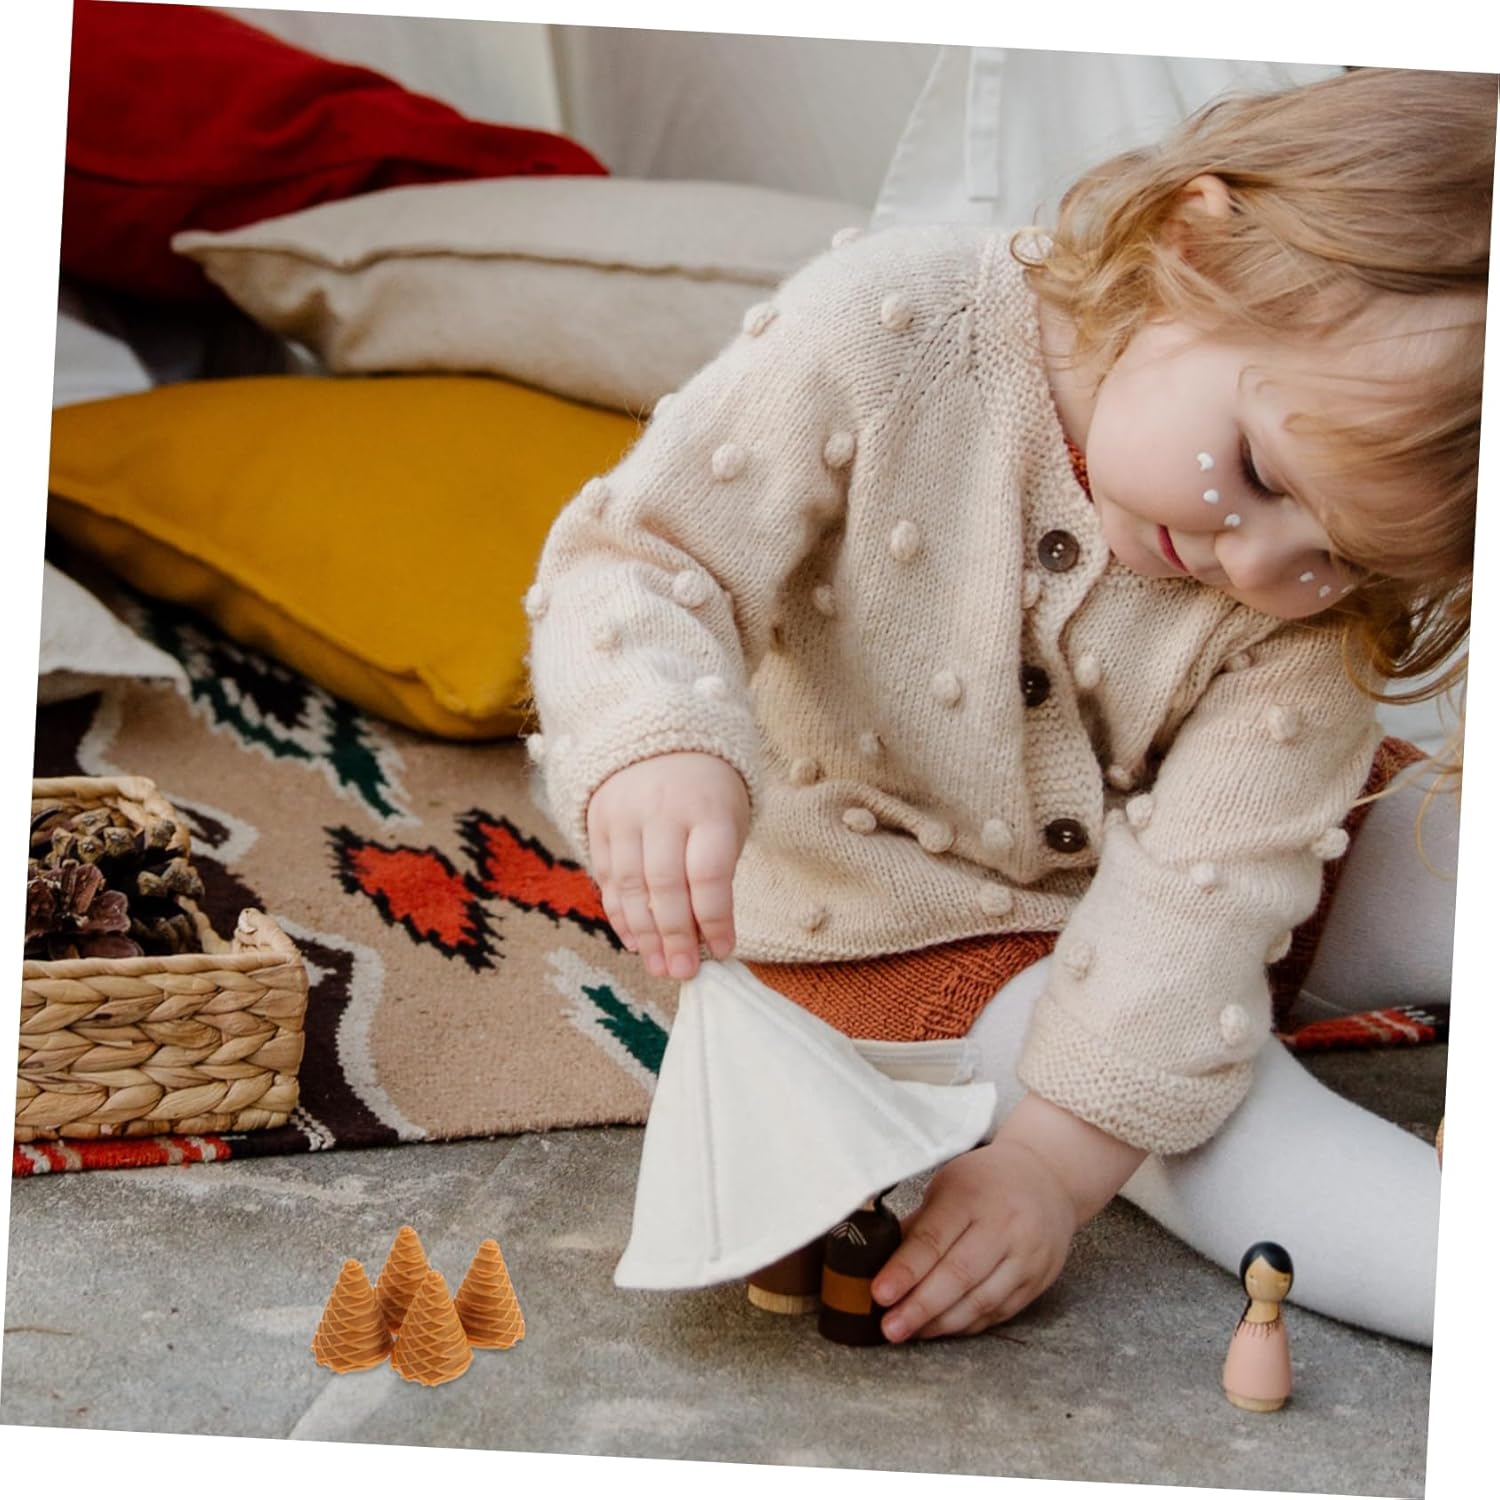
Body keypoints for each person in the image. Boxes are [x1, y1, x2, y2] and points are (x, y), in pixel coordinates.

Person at [523, 66, 1491, 1348]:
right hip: (922, 923)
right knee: (1229, 1128)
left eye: (1345, 557)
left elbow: (1207, 900)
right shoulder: (893, 325)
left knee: (1446, 851)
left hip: (1221, 867)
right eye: (1258, 473)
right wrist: (658, 746)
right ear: (1193, 250)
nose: (1260, 566)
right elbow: (640, 559)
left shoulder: (1308, 613)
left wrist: (1055, 1158)